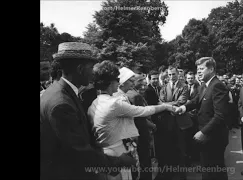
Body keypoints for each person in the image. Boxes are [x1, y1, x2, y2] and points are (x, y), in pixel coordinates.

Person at [40, 42, 136, 180]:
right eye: (91, 68)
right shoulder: (61, 103)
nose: (93, 73)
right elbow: (79, 152)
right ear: (80, 69)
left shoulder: (61, 92)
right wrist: (119, 161)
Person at [87, 61, 176, 180]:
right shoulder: (114, 103)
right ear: (110, 82)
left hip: (103, 154)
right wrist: (165, 106)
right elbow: (143, 111)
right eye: (117, 80)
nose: (119, 83)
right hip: (117, 154)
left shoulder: (95, 102)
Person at [175, 57, 230, 180]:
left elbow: (220, 115)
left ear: (211, 69)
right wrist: (183, 107)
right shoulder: (204, 85)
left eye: (201, 69)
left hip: (214, 137)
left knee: (215, 172)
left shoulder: (217, 86)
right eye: (197, 69)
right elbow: (196, 101)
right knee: (209, 171)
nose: (198, 72)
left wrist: (203, 132)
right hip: (207, 137)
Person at [157, 66, 193, 180]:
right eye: (169, 74)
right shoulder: (164, 87)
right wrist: (168, 105)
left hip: (180, 123)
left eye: (173, 74)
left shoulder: (184, 86)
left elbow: (181, 102)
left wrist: (166, 105)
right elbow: (160, 102)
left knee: (181, 150)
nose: (171, 77)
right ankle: (171, 173)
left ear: (178, 74)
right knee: (170, 149)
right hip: (167, 123)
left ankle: (182, 175)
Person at [126, 75, 155, 180]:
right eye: (141, 83)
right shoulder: (135, 96)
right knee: (145, 160)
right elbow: (141, 117)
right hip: (141, 132)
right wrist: (152, 126)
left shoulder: (127, 94)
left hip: (132, 133)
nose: (143, 86)